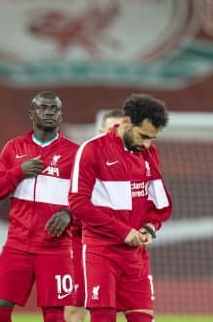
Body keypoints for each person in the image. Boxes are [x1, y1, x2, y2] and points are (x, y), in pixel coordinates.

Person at [69, 94, 172, 322]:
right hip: (101, 251)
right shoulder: (91, 150)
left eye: (151, 139)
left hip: (135, 256)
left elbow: (154, 202)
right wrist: (123, 231)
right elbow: (78, 203)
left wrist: (149, 227)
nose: (146, 144)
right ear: (126, 122)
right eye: (143, 136)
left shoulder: (148, 153)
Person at [0, 91, 79, 322]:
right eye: (43, 107)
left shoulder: (75, 154)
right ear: (32, 113)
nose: (49, 112)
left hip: (55, 248)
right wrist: (19, 171)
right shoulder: (13, 148)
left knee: (55, 316)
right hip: (18, 244)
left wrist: (70, 214)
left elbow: (90, 200)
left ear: (60, 115)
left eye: (54, 109)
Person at [65, 108, 125, 322]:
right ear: (99, 131)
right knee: (76, 306)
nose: (116, 135)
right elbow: (75, 202)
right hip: (82, 241)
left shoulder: (134, 163)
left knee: (112, 308)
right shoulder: (85, 158)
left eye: (121, 129)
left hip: (119, 244)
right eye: (111, 129)